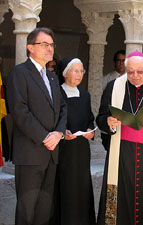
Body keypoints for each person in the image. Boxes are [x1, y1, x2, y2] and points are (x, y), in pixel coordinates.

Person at [96, 51, 143, 225]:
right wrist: (107, 121)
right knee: (121, 193)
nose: (135, 76)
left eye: (140, 72)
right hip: (122, 152)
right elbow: (100, 118)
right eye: (130, 72)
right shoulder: (113, 87)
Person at [6, 27, 67, 225]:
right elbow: (19, 111)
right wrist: (45, 137)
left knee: (44, 208)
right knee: (27, 209)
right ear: (30, 47)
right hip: (30, 152)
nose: (50, 48)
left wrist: (58, 133)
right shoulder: (19, 73)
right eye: (45, 44)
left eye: (51, 45)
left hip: (51, 153)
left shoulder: (51, 76)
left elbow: (63, 108)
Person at [56, 57, 96, 225]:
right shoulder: (57, 93)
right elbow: (54, 120)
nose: (80, 75)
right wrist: (62, 133)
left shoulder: (85, 95)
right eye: (75, 71)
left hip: (81, 149)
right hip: (64, 150)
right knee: (66, 187)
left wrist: (90, 131)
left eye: (81, 71)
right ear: (65, 73)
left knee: (82, 187)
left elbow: (90, 119)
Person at [101, 50, 126, 151]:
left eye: (124, 60)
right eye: (119, 60)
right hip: (111, 120)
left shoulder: (130, 79)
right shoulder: (107, 79)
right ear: (114, 62)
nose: (121, 63)